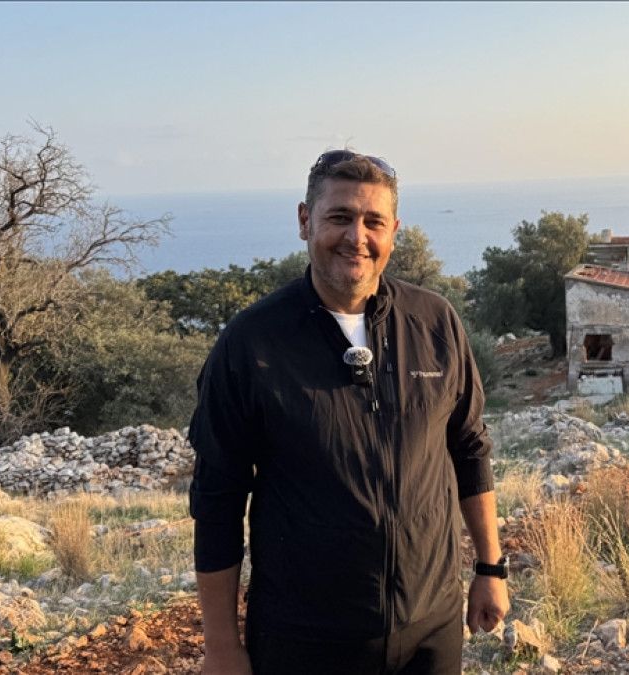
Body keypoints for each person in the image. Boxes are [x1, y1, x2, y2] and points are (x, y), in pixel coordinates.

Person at [188, 150, 509, 674]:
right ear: (305, 221)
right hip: (303, 639)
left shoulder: (435, 322)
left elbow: (469, 447)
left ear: (394, 232)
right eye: (339, 216)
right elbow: (217, 499)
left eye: (373, 222)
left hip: (430, 627)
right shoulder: (252, 343)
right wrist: (221, 647)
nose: (357, 237)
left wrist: (490, 568)